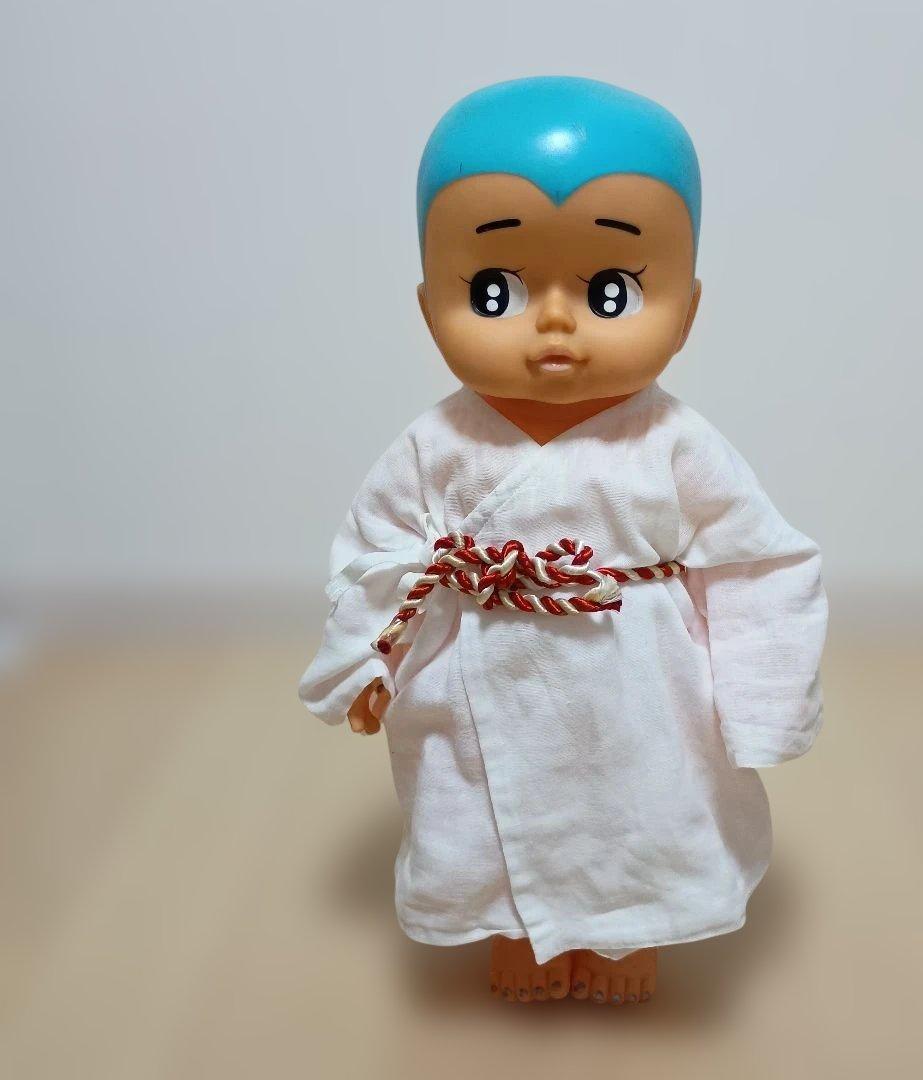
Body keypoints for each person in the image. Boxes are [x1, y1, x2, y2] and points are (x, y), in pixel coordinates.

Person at [300, 76, 827, 1005]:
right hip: (474, 672)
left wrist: (759, 699)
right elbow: (375, 553)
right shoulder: (436, 444)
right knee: (472, 807)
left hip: (639, 683)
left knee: (644, 804)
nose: (553, 322)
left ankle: (629, 930)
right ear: (427, 305)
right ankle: (516, 929)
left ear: (688, 308)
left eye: (610, 291)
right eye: (494, 290)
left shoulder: (676, 443)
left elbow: (757, 563)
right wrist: (369, 659)